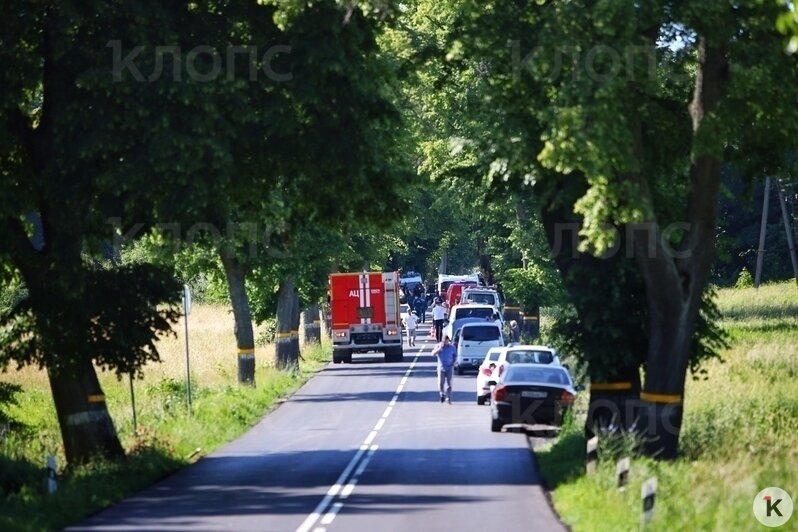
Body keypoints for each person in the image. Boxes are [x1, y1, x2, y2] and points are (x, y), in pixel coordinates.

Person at [431, 335, 457, 404]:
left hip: (449, 368)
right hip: (441, 368)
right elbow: (432, 354)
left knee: (449, 384)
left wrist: (454, 362)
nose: (445, 343)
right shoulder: (439, 346)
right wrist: (439, 349)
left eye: (447, 341)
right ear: (442, 341)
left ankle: (449, 398)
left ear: (448, 341)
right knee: (441, 383)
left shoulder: (452, 347)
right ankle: (442, 394)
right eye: (444, 342)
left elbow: (455, 355)